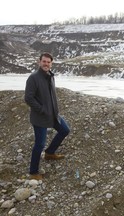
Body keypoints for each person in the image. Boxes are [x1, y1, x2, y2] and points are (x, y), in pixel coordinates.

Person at [25, 52, 70, 180]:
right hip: (40, 117)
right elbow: (28, 98)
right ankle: (33, 172)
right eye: (44, 61)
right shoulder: (33, 78)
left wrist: (53, 109)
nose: (46, 64)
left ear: (51, 64)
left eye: (48, 62)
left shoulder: (50, 76)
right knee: (39, 144)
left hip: (53, 114)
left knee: (65, 130)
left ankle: (50, 153)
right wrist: (42, 109)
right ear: (39, 62)